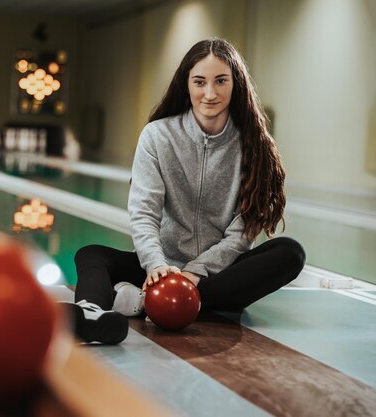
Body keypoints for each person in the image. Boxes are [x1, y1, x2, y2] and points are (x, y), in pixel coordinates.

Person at [66, 38, 306, 345]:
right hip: (161, 269)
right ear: (186, 85)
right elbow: (144, 211)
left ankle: (147, 302)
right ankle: (91, 314)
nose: (210, 93)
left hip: (216, 277)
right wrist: (156, 263)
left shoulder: (253, 146)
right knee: (91, 255)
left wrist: (197, 272)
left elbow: (242, 232)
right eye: (199, 82)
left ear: (237, 85)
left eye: (221, 81)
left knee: (290, 252)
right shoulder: (158, 136)